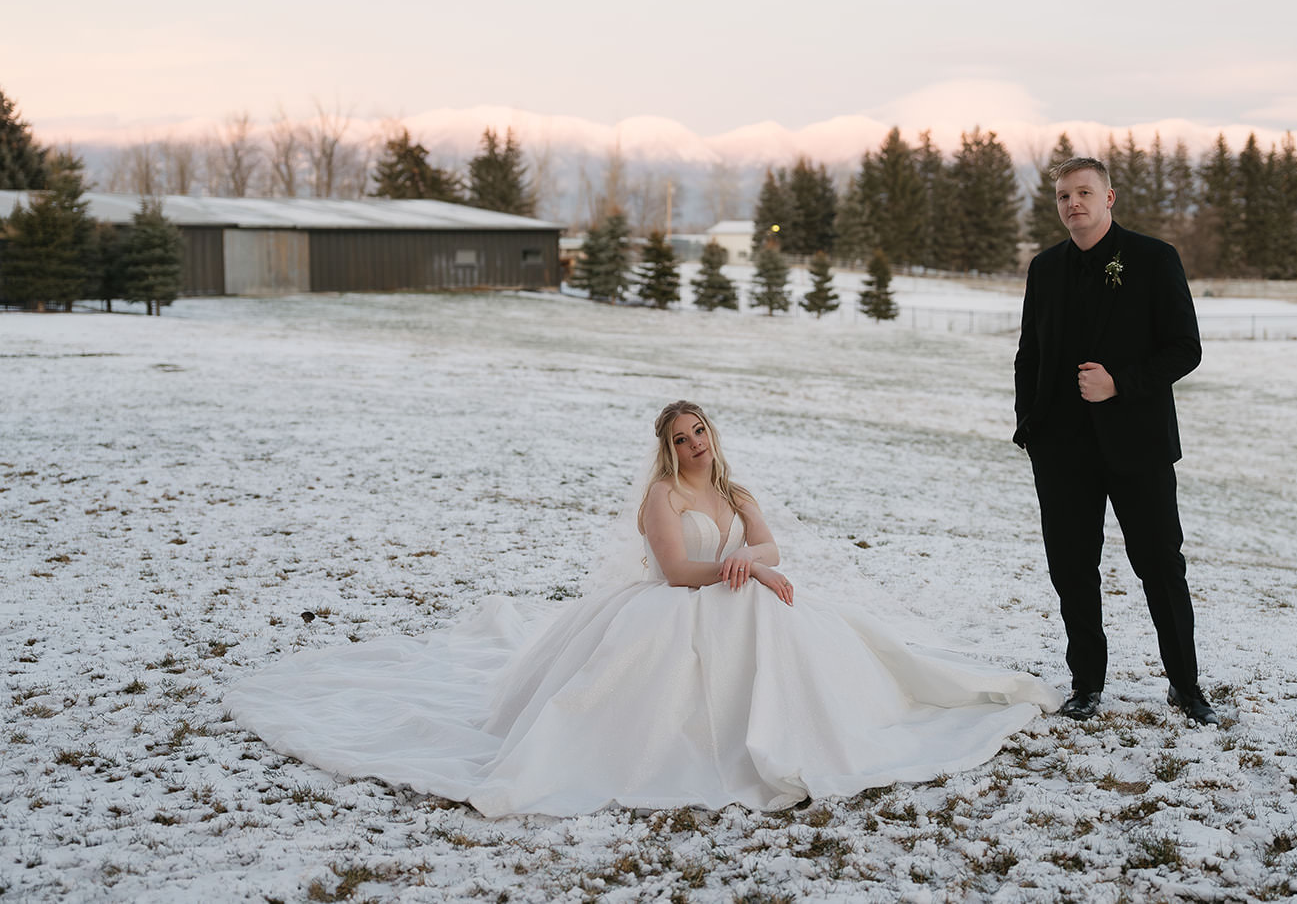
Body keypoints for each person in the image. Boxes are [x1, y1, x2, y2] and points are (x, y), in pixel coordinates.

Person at [224, 401, 1061, 817]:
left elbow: (768, 547)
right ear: (665, 450)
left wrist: (752, 561)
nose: (693, 446)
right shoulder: (663, 496)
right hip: (679, 603)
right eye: (679, 438)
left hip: (738, 587)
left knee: (799, 625)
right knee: (724, 628)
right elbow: (673, 571)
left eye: (699, 432)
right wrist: (739, 568)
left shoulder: (734, 487)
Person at [1013, 157, 1218, 726]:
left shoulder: (1154, 259)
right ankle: (1086, 684)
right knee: (1072, 569)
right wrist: (1029, 423)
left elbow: (1185, 348)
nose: (1072, 203)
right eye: (1062, 195)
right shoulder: (1045, 267)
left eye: (1083, 192)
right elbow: (1029, 353)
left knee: (1159, 565)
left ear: (1109, 198)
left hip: (1138, 445)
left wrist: (1119, 385)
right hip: (1061, 450)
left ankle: (1185, 685)